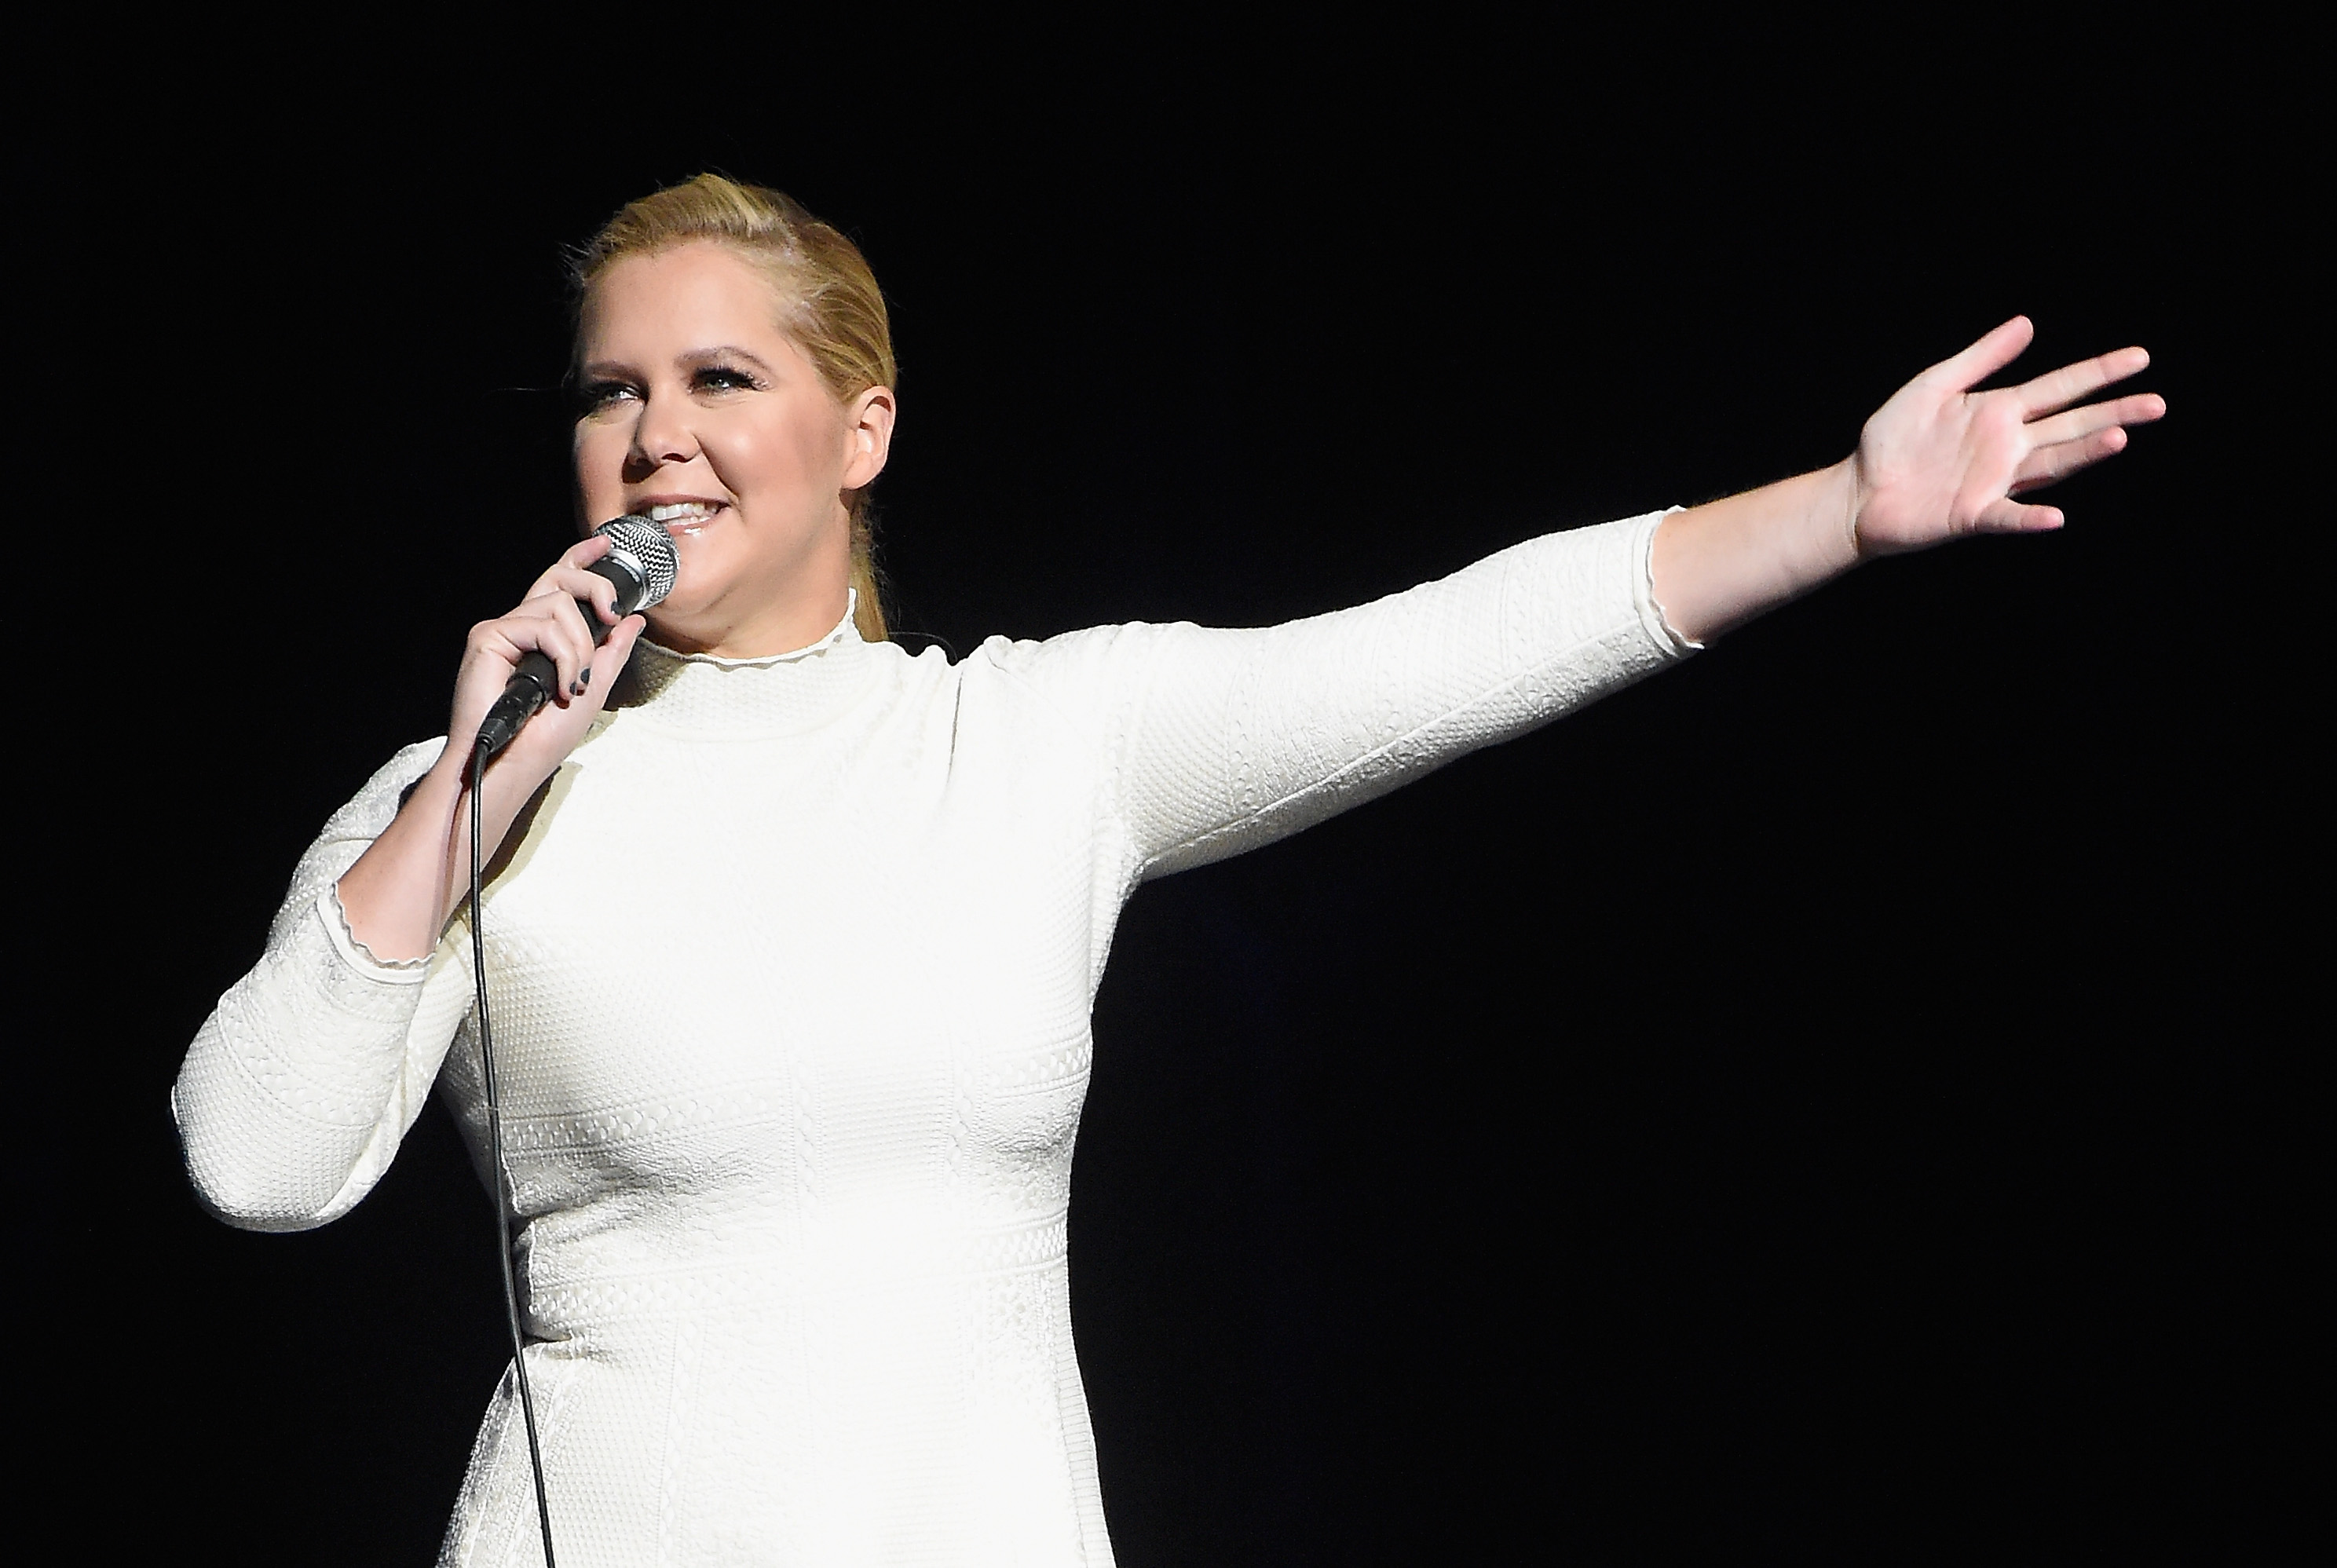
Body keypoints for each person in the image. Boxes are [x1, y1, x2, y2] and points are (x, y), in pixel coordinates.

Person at [172, 174, 2163, 1566]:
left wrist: (1844, 507)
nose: (655, 438)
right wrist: (471, 785)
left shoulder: (1029, 745)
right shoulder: (473, 787)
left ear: (860, 426)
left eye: (720, 381)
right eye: (614, 388)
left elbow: (1437, 646)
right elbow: (259, 1161)